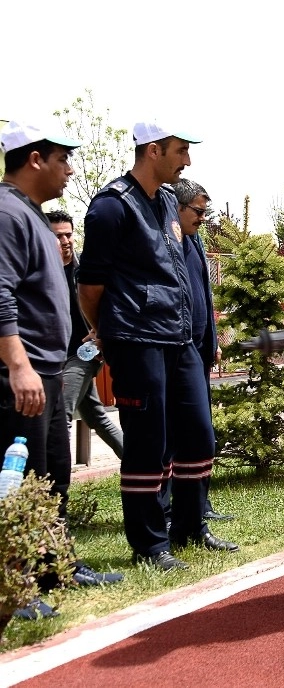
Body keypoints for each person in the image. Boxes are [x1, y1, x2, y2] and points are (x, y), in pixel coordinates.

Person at [78, 121, 238, 572]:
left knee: (198, 435)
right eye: (181, 150)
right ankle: (150, 543)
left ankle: (190, 527)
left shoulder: (169, 201)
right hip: (136, 340)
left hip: (180, 338)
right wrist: (105, 331)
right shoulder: (111, 206)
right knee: (149, 445)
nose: (187, 160)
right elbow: (90, 285)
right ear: (153, 150)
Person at [0, 121, 123, 612]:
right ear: (35, 159)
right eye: (63, 159)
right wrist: (17, 365)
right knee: (19, 480)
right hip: (23, 374)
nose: (70, 169)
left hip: (49, 369)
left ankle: (54, 569)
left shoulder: (32, 213)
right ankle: (16, 585)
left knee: (51, 475)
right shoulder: (7, 214)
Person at [173, 179, 231, 521]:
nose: (202, 218)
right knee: (183, 436)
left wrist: (212, 341)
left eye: (205, 212)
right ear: (177, 208)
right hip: (178, 351)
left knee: (201, 434)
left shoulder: (194, 240)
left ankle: (200, 506)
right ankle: (173, 509)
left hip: (199, 350)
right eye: (197, 211)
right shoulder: (169, 243)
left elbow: (204, 296)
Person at [46, 210, 124, 459]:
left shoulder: (85, 271)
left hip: (83, 354)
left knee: (60, 415)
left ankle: (54, 487)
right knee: (97, 418)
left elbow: (112, 303)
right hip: (54, 356)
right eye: (58, 236)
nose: (65, 241)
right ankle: (143, 466)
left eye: (68, 235)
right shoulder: (40, 271)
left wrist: (101, 331)